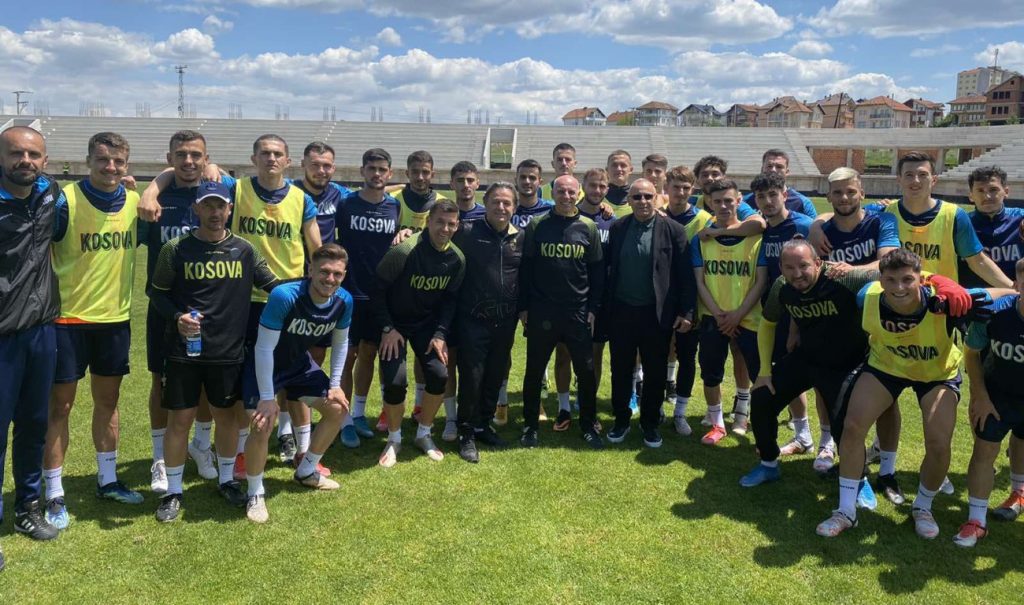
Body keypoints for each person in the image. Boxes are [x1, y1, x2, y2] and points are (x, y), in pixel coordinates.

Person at [816, 248, 1005, 539]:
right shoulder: (867, 296)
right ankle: (846, 511)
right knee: (852, 427)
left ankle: (923, 507)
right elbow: (843, 275)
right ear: (881, 280)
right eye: (891, 280)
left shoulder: (944, 298)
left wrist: (954, 288)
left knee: (939, 443)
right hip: (886, 367)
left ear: (920, 279)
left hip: (936, 374)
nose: (899, 287)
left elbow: (1007, 292)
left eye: (907, 279)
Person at [147, 181, 279, 521]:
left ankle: (226, 480)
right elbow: (157, 293)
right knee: (180, 419)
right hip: (184, 351)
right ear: (196, 209)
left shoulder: (245, 250)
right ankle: (173, 491)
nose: (215, 212)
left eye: (220, 206)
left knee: (227, 418)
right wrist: (176, 317)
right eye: (208, 205)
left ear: (229, 210)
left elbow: (273, 285)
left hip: (228, 351)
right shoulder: (176, 249)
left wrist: (312, 291)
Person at [44, 132, 142, 526]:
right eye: (102, 160)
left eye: (118, 161)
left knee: (108, 402)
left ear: (127, 165)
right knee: (60, 407)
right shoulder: (65, 201)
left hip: (114, 320)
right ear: (88, 161)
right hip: (67, 320)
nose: (110, 167)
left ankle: (108, 480)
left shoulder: (135, 202)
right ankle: (54, 493)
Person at [243, 244, 353, 523]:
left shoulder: (344, 301)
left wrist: (335, 384)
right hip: (264, 365)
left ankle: (306, 470)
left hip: (298, 364)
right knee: (262, 424)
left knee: (338, 409)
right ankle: (255, 492)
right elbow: (264, 348)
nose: (330, 279)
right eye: (324, 271)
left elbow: (341, 343)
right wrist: (267, 397)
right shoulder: (285, 295)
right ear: (310, 270)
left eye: (337, 274)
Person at [138, 130, 217, 494]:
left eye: (196, 155)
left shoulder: (218, 194)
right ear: (169, 158)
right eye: (181, 154)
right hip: (164, 307)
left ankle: (201, 445)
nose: (189, 161)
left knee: (206, 380)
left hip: (208, 307)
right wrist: (152, 189)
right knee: (160, 380)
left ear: (206, 159)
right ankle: (159, 457)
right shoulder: (155, 201)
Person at [0, 125, 63, 566]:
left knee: (33, 425)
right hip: (2, 336)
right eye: (16, 153)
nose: (25, 161)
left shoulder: (48, 194)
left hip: (41, 332)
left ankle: (27, 507)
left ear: (44, 160)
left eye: (34, 154)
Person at [371, 200, 466, 467]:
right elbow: (377, 289)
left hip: (427, 326)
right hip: (395, 325)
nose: (445, 228)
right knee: (395, 381)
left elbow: (451, 300)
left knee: (439, 375)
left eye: (451, 224)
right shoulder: (405, 250)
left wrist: (440, 334)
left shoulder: (457, 258)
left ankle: (423, 434)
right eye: (440, 222)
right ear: (428, 222)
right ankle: (394, 438)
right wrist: (387, 328)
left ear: (457, 226)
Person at [605, 179, 694, 447]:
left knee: (655, 371)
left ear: (657, 198)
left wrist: (686, 311)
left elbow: (685, 275)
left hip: (656, 313)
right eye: (637, 197)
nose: (642, 201)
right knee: (621, 369)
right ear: (629, 200)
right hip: (622, 311)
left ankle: (650, 423)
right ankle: (621, 420)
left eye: (647, 196)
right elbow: (609, 268)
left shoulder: (674, 229)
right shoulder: (619, 227)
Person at [519, 175, 605, 448]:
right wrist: (524, 307)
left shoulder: (588, 227)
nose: (566, 196)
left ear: (578, 194)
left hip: (577, 311)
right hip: (542, 311)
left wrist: (593, 309)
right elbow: (526, 268)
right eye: (561, 191)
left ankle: (588, 425)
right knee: (534, 371)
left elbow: (597, 272)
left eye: (571, 192)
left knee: (586, 371)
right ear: (552, 193)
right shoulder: (537, 225)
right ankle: (530, 426)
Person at [451, 182, 523, 462]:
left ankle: (483, 424)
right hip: (473, 319)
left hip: (505, 321)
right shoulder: (467, 232)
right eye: (496, 202)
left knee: (495, 374)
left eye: (507, 203)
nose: (501, 207)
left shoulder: (521, 237)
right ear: (486, 203)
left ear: (514, 207)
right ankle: (465, 431)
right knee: (472, 377)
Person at [691, 179, 767, 445]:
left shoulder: (756, 237)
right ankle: (717, 424)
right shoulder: (700, 239)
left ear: (739, 201)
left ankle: (748, 417)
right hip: (713, 317)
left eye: (728, 201)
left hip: (748, 317)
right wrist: (720, 314)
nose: (723, 206)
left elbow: (761, 281)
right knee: (710, 372)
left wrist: (738, 314)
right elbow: (700, 281)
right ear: (709, 203)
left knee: (757, 373)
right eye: (717, 201)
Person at [956, 260, 1024, 546]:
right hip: (997, 394)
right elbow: (971, 353)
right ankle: (976, 520)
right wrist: (979, 396)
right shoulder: (995, 313)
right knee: (984, 450)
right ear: (1017, 285)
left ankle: (1019, 493)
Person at [336, 148, 402, 439]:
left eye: (382, 169)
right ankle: (343, 420)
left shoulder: (394, 207)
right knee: (346, 356)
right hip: (348, 291)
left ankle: (359, 414)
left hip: (379, 294)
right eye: (371, 168)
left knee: (369, 354)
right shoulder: (346, 205)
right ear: (362, 171)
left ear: (389, 173)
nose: (376, 174)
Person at [750, 172, 816, 456]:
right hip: (774, 313)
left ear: (785, 195)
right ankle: (803, 436)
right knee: (783, 375)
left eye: (773, 195)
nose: (767, 201)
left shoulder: (804, 226)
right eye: (761, 197)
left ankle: (825, 441)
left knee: (818, 378)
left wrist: (798, 325)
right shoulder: (760, 229)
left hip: (805, 313)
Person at [665, 166, 712, 435]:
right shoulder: (657, 215)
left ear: (692, 190)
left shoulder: (704, 219)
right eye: (676, 187)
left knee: (687, 355)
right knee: (656, 353)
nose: (681, 192)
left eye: (686, 188)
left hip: (692, 298)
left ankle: (680, 412)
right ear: (666, 188)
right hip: (661, 297)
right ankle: (655, 405)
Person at [742, 149, 817, 217]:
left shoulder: (802, 203)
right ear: (762, 169)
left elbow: (813, 226)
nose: (773, 170)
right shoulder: (745, 202)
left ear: (787, 172)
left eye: (779, 167)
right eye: (769, 166)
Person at [511, 158, 554, 230]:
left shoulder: (551, 209)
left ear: (540, 182)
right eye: (523, 177)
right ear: (516, 180)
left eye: (532, 178)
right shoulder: (506, 209)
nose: (527, 181)